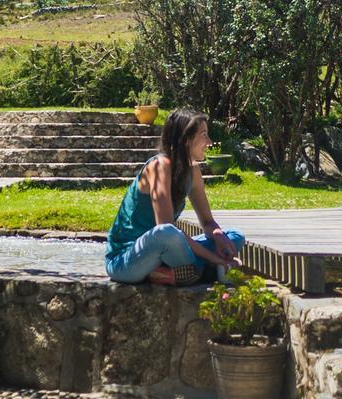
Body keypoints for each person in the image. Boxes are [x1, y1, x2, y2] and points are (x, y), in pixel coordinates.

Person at [105, 108, 244, 285]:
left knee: (235, 237)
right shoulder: (159, 166)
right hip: (126, 260)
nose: (209, 142)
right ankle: (199, 270)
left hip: (166, 251)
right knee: (167, 233)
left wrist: (219, 237)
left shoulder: (193, 170)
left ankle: (173, 273)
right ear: (186, 139)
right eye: (204, 135)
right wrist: (214, 258)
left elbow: (208, 222)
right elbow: (165, 227)